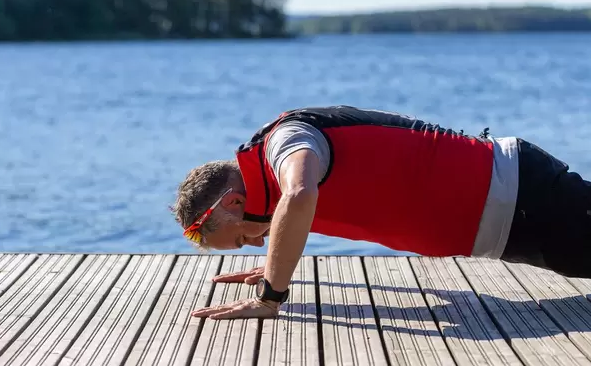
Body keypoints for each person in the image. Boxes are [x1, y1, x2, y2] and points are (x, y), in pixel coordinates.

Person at [171, 105, 591, 320]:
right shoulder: (271, 172)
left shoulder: (286, 141)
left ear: (232, 202)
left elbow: (299, 195)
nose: (258, 242)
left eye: (244, 236)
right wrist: (273, 265)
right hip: (509, 224)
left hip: (521, 195)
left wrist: (270, 295)